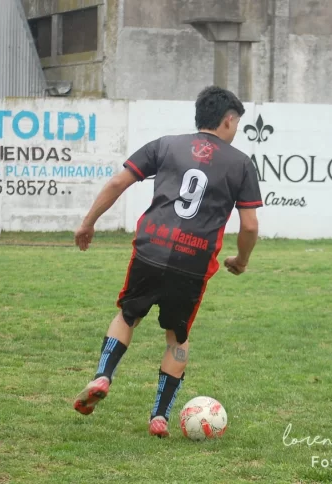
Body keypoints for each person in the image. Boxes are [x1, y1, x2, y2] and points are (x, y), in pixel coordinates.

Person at [72, 86, 262, 437]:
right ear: (228, 120)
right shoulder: (240, 164)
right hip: (194, 260)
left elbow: (118, 182)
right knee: (178, 337)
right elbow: (249, 225)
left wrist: (88, 222)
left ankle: (103, 375)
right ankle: (159, 415)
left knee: (128, 315)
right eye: (236, 124)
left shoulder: (165, 144)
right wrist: (242, 259)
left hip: (151, 249)